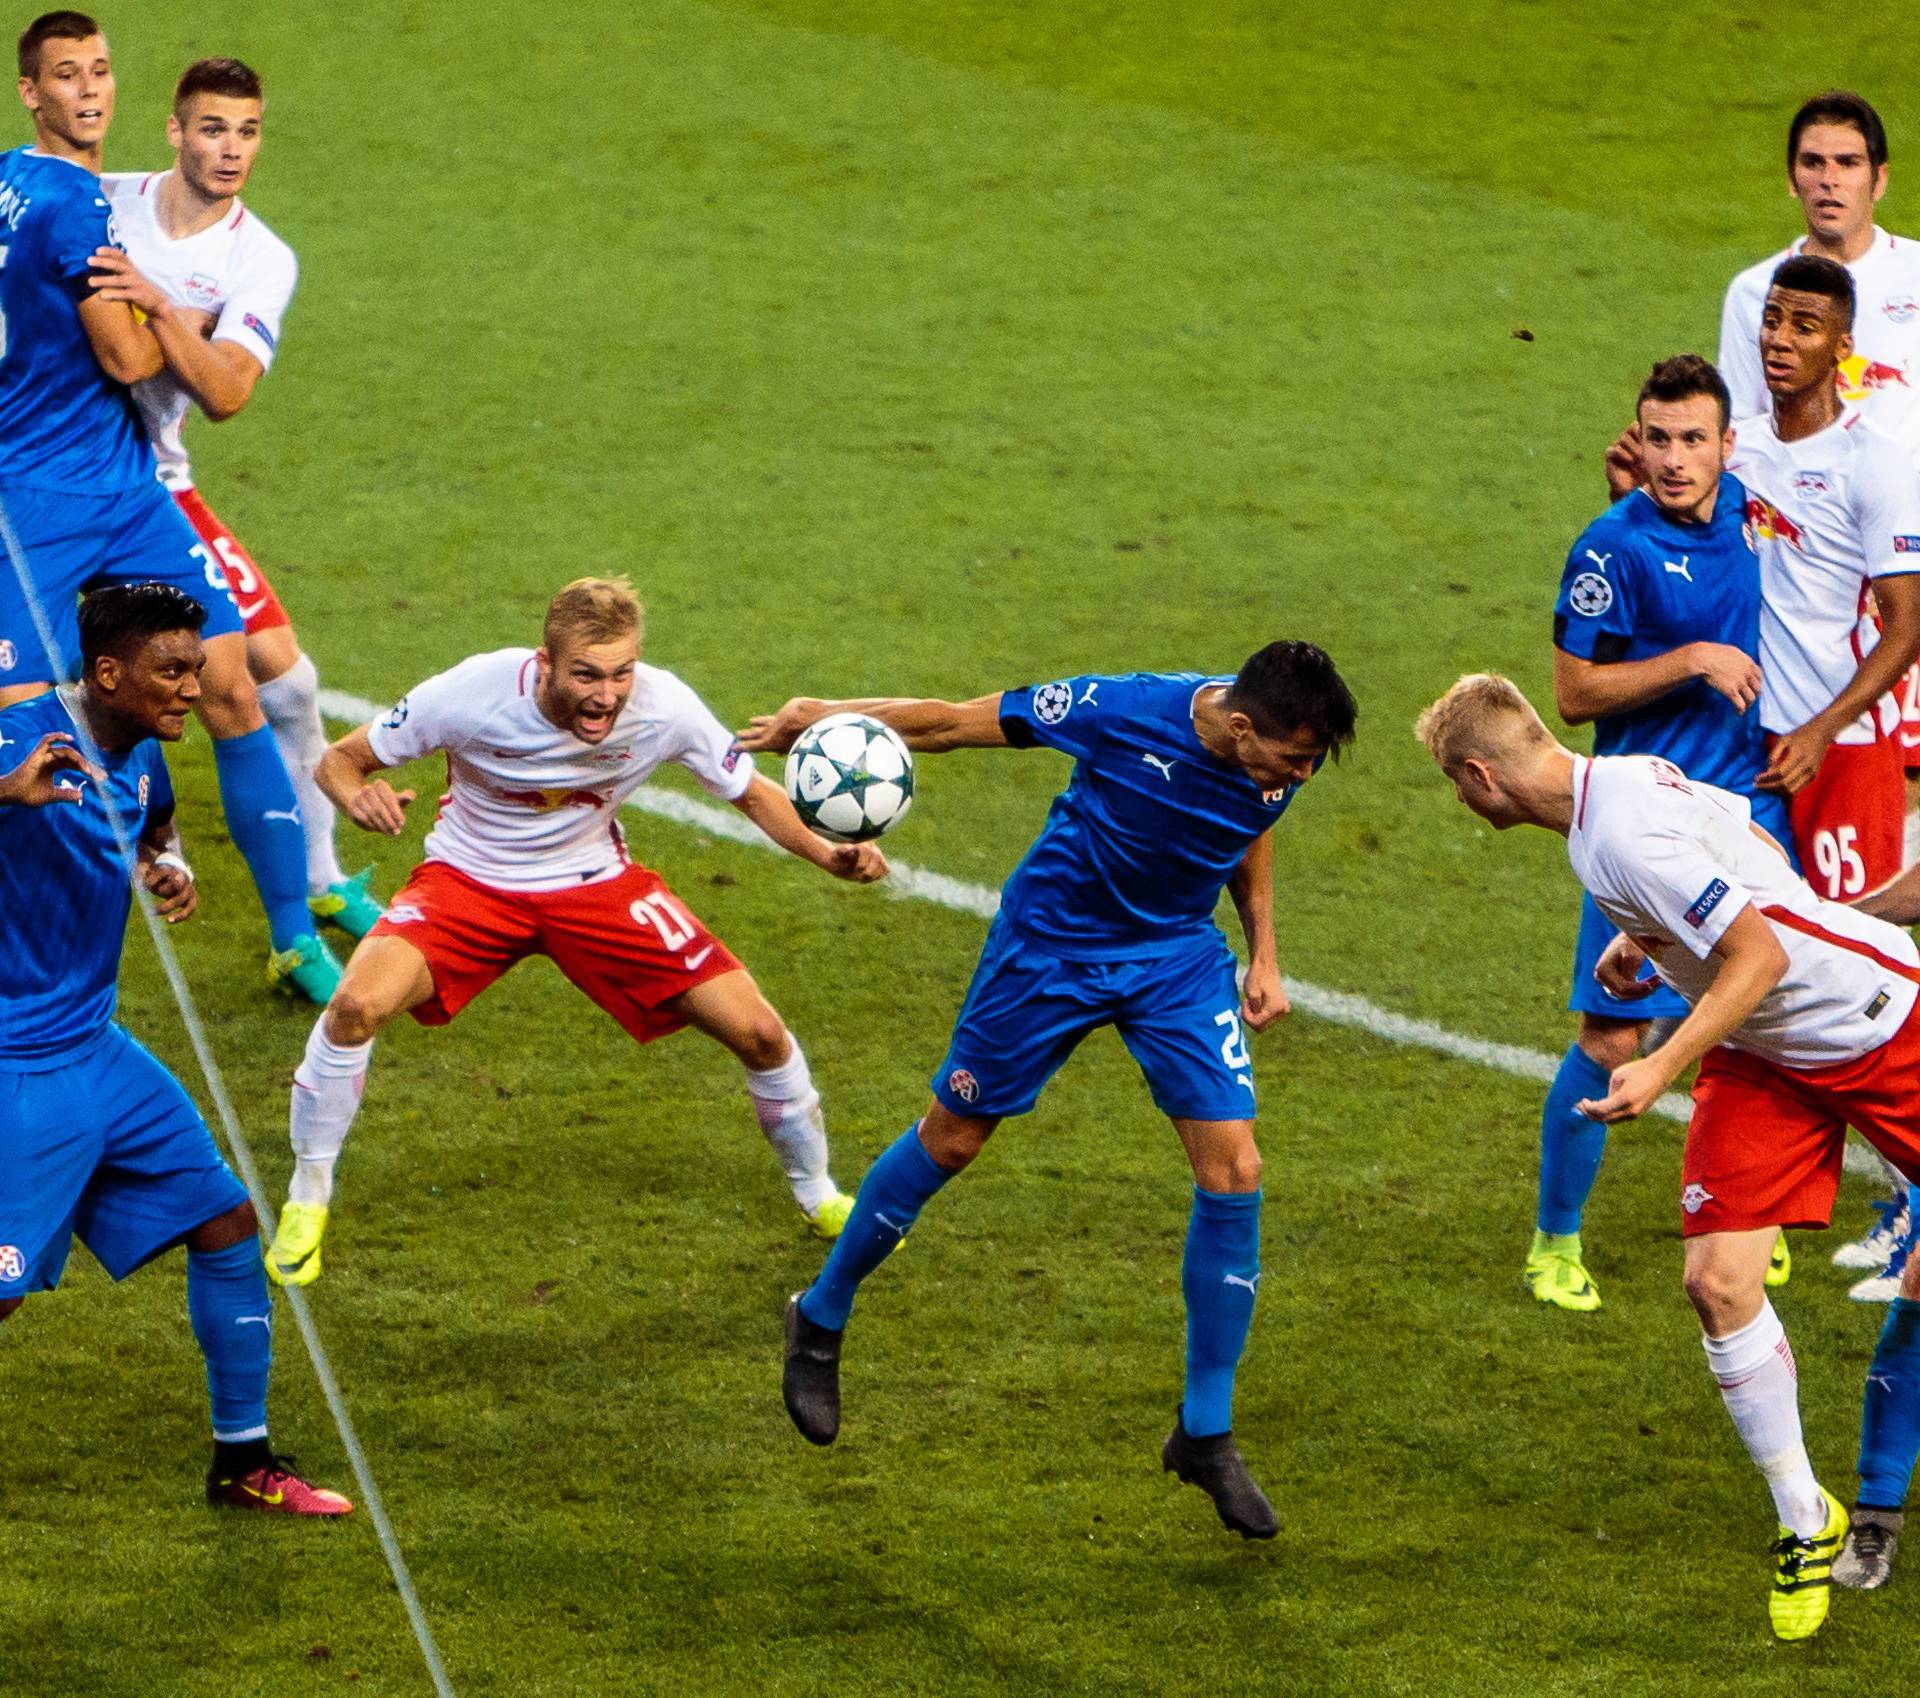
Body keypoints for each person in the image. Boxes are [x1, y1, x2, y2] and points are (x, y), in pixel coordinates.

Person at [743, 642, 1359, 1541]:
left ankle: (1205, 1430)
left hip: (1175, 960)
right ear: (1238, 727)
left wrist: (1261, 947)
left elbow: (1251, 817)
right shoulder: (1120, 709)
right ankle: (821, 1316)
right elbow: (955, 721)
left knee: (1236, 1171)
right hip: (1053, 948)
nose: (1303, 775)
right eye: (1296, 758)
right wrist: (829, 714)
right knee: (952, 1140)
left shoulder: (1272, 758)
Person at [1417, 671, 1920, 1640]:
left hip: (1881, 1025)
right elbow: (1751, 843)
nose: (1460, 802)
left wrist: (1660, 1069)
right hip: (1770, 1052)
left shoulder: (1621, 834)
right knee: (1719, 1282)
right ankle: (1804, 1516)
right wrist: (1648, 945)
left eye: (1454, 784)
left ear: (1480, 775)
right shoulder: (1619, 784)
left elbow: (1762, 955)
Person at [267, 577, 875, 1287]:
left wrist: (828, 854)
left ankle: (819, 1195)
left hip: (595, 887)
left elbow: (751, 792)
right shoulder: (473, 692)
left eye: (622, 673)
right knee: (355, 1007)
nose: (607, 695)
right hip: (468, 883)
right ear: (546, 662)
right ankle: (308, 1196)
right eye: (586, 674)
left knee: (762, 1034)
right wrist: (357, 796)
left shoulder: (666, 704)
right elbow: (340, 759)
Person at [0, 12, 340, 1000]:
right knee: (29, 719)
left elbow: (224, 393)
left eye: (99, 69)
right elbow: (128, 358)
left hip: (135, 489)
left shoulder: (31, 184)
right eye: (68, 74)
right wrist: (169, 310)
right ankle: (68, 932)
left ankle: (293, 937)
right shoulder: (81, 204)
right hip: (42, 500)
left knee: (233, 686)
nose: (88, 88)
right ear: (35, 91)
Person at [0, 581, 350, 1516]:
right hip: (19, 1072)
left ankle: (243, 1462)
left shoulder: (143, 750)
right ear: (106, 673)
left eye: (196, 667)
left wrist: (170, 863)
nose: (194, 687)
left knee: (227, 1224)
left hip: (101, 1051)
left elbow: (152, 815)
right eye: (171, 669)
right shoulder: (20, 738)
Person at [90, 55, 384, 941]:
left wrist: (157, 308)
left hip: (159, 489)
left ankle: (322, 882)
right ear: (175, 131)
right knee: (152, 690)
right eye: (213, 129)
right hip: (64, 480)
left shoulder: (261, 258)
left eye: (247, 132)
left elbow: (225, 393)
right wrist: (189, 327)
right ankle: (158, 857)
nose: (231, 150)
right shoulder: (102, 199)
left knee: (289, 682)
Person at [1527, 354, 1782, 1314]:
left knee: (1758, 1022)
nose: (1675, 459)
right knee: (1612, 1028)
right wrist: (1692, 661)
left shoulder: (1755, 517)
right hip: (1642, 821)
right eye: (1659, 438)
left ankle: (1752, 1217)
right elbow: (1572, 692)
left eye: (1693, 440)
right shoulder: (1611, 547)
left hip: (1749, 811)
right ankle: (1554, 1241)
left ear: (1725, 444)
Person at [1718, 90, 1920, 1291]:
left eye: (1849, 161)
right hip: (1836, 622)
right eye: (1811, 161)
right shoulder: (1758, 292)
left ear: (1881, 178)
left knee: (1864, 921)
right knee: (1855, 910)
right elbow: (1752, 440)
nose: (1828, 179)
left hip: (1887, 609)